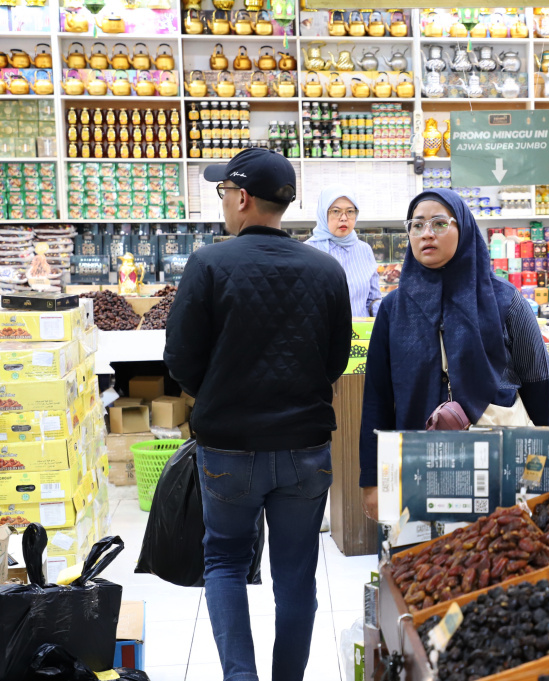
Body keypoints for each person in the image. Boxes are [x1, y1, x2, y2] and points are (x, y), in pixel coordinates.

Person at [164, 147, 352, 681]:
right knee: (296, 576)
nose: (224, 201)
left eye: (225, 191)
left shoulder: (208, 263)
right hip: (306, 449)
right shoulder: (325, 270)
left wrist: (219, 395)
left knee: (224, 561)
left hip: (228, 449)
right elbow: (335, 361)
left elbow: (179, 359)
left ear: (242, 198)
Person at [358, 189, 549, 520]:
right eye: (417, 225)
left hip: (499, 455)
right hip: (419, 459)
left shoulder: (505, 301)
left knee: (501, 555)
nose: (426, 234)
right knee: (428, 560)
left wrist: (546, 460)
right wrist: (371, 482)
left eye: (438, 223)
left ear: (462, 228)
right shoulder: (394, 308)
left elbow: (538, 382)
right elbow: (377, 398)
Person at [305, 188, 382, 317]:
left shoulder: (364, 250)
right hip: (324, 334)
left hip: (361, 334)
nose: (344, 218)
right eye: (336, 211)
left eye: (350, 211)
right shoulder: (308, 250)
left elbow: (373, 299)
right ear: (323, 213)